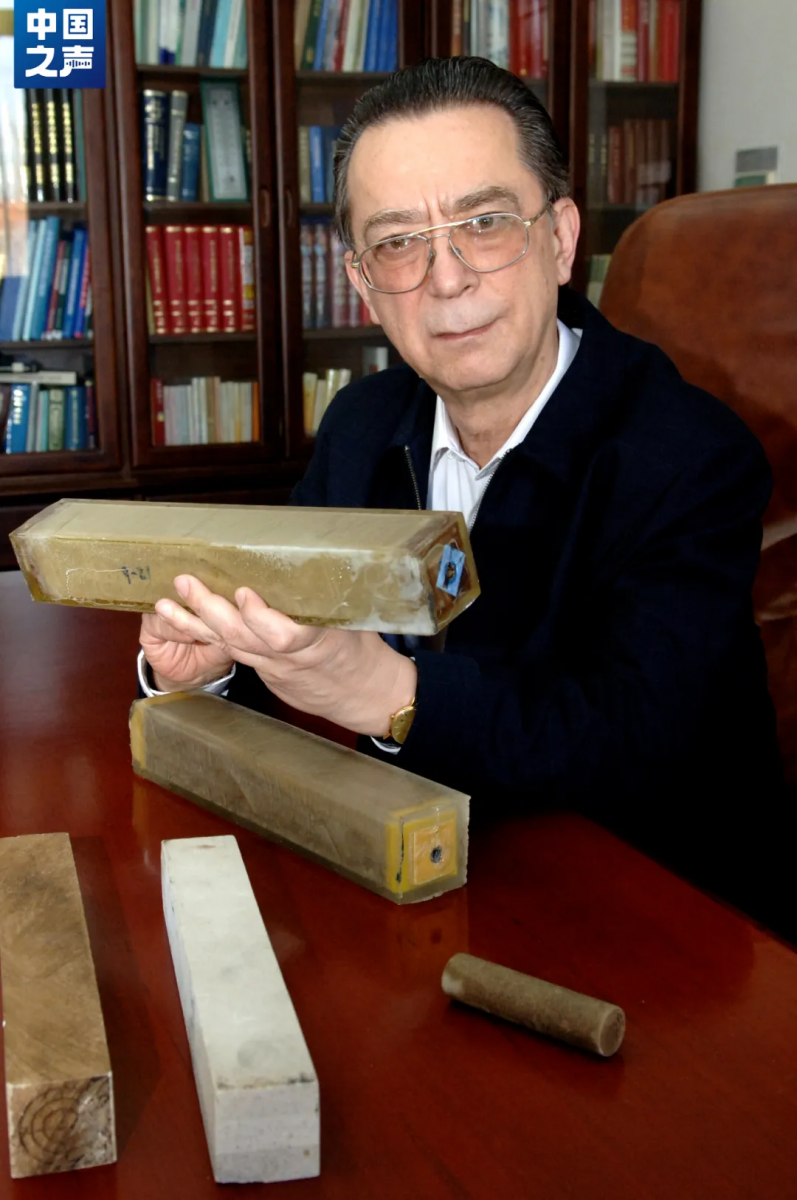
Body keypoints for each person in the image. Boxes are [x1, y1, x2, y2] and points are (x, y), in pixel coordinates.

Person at [137, 57, 794, 936]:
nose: (445, 279)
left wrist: (389, 692)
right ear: (363, 284)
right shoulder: (362, 424)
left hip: (657, 924)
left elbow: (637, 741)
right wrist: (212, 671)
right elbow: (299, 649)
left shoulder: (689, 455)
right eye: (398, 242)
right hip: (417, 886)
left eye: (484, 224)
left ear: (558, 240)